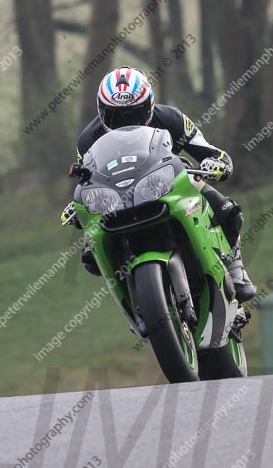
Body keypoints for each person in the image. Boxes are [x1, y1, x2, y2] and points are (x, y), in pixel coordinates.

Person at [62, 66, 256, 302]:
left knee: (224, 208)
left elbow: (210, 152)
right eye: (115, 115)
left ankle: (236, 268)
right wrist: (78, 205)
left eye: (134, 114)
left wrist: (217, 163)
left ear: (149, 105)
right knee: (91, 253)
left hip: (169, 185)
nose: (125, 122)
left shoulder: (171, 118)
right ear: (101, 111)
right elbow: (87, 178)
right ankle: (134, 300)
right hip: (117, 199)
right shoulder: (87, 139)